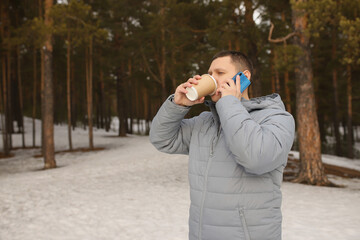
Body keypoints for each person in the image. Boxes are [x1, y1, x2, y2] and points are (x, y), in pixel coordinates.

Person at [149, 50, 295, 240]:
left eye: (219, 73)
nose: (212, 78)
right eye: (210, 74)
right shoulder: (204, 122)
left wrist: (229, 102)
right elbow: (162, 139)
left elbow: (255, 158)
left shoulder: (276, 118)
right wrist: (178, 105)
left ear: (244, 77)